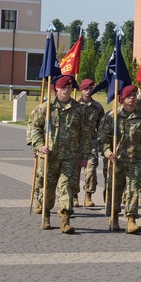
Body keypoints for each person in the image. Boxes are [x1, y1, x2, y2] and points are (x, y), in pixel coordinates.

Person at [28, 74, 89, 233]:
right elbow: (34, 128)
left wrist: (84, 155)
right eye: (63, 88)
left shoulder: (78, 110)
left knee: (67, 187)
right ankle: (46, 214)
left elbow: (85, 134)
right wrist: (40, 145)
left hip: (70, 157)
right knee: (47, 188)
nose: (66, 91)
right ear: (55, 89)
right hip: (49, 156)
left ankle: (65, 219)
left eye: (69, 88)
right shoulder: (44, 108)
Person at [100, 85, 141, 234]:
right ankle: (114, 216)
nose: (132, 98)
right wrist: (108, 152)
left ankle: (131, 220)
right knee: (115, 190)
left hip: (135, 159)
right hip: (116, 159)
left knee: (133, 190)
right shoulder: (111, 116)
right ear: (122, 98)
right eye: (129, 96)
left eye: (135, 96)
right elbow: (103, 139)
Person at [76, 78, 105, 207]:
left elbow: (101, 127)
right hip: (76, 143)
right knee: (74, 171)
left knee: (91, 170)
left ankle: (88, 195)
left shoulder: (98, 107)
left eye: (90, 89)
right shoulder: (74, 106)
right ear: (81, 89)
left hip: (92, 143)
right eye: (86, 89)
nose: (88, 91)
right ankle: (74, 195)